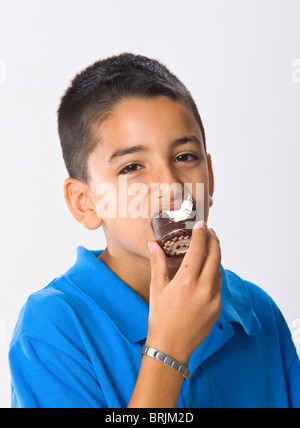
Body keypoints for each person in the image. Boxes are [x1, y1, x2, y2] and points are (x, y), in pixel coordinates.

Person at [9, 53, 300, 408]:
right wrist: (168, 349)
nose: (170, 184)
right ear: (85, 202)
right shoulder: (51, 331)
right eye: (133, 166)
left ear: (209, 177)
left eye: (184, 157)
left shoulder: (257, 313)